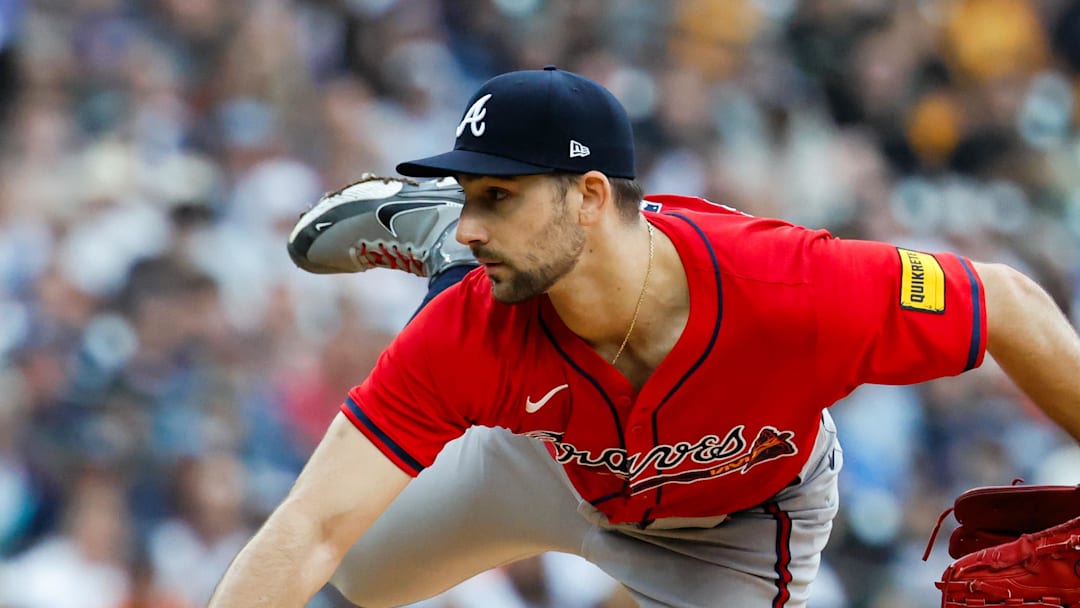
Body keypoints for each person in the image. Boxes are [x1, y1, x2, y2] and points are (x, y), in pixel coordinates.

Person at [210, 66, 1080, 608]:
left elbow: (1000, 301)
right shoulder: (476, 327)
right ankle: (435, 248)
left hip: (735, 525)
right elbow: (310, 526)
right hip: (548, 458)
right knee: (359, 573)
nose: (480, 223)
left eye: (496, 199)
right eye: (469, 201)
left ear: (590, 196)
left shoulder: (793, 287)